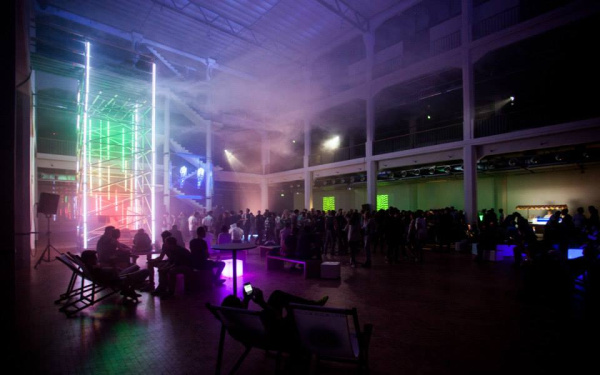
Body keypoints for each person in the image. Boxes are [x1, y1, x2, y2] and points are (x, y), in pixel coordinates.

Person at [80, 250, 150, 300]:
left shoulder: (90, 267)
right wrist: (113, 269)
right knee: (146, 271)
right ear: (90, 259)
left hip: (117, 276)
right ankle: (129, 288)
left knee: (135, 266)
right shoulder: (96, 269)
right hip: (119, 278)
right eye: (95, 257)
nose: (96, 258)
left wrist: (111, 269)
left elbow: (107, 272)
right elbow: (111, 275)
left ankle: (129, 289)